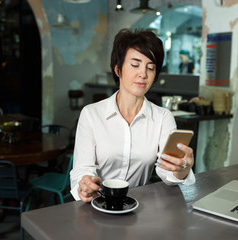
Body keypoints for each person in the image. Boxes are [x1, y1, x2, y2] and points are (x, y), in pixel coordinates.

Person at [70, 28, 196, 202]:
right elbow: (82, 170)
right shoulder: (91, 114)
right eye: (135, 65)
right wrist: (84, 186)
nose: (143, 74)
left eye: (150, 68)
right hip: (96, 205)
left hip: (137, 208)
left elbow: (167, 172)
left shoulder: (163, 117)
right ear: (118, 69)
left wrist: (181, 170)